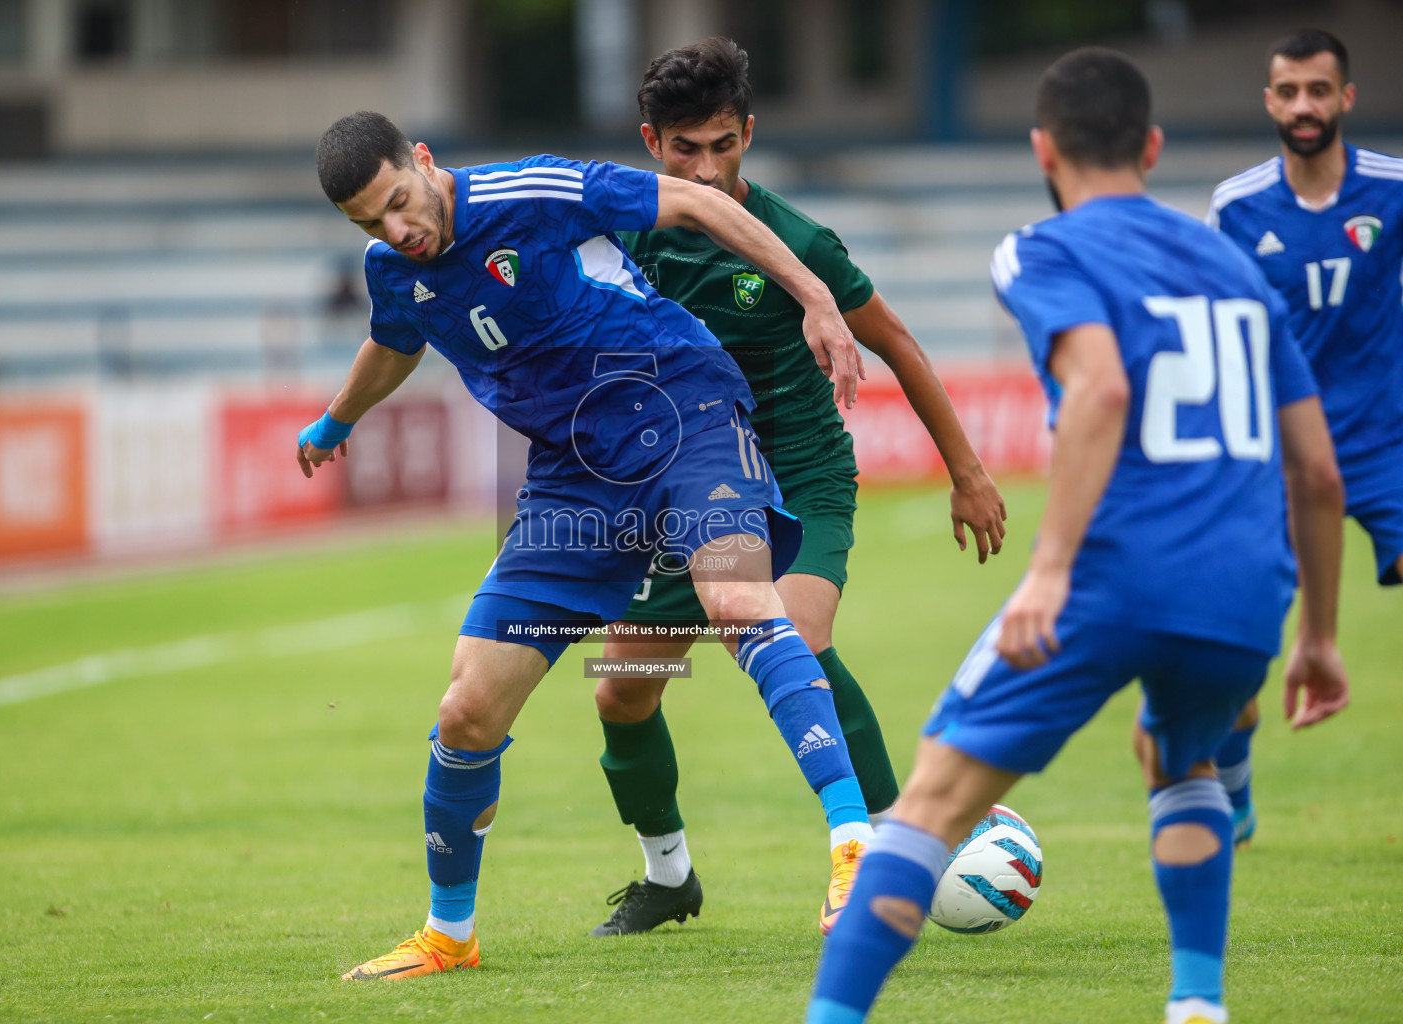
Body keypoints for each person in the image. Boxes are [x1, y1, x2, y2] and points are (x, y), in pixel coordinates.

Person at [805, 48, 1351, 1024]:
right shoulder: (1232, 263)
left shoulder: (1041, 249)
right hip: (1245, 586)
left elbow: (1100, 385)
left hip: (1115, 577)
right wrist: (1316, 634)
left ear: (1041, 149)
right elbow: (1316, 470)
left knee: (929, 800)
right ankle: (1195, 1002)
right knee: (1179, 760)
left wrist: (1048, 570)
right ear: (1150, 145)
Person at [300, 110, 882, 980]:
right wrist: (338, 417)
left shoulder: (529, 192)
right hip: (574, 475)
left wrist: (816, 296)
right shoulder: (394, 269)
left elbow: (692, 202)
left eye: (397, 202)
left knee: (734, 601)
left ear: (423, 160)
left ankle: (855, 846)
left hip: (682, 410)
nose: (396, 231)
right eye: (369, 224)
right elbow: (394, 343)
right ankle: (448, 934)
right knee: (468, 709)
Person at [587, 36, 1008, 938]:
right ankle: (669, 878)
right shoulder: (620, 233)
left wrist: (967, 474)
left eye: (723, 145)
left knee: (796, 635)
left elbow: (898, 344)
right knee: (621, 689)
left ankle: (891, 846)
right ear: (650, 141)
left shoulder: (799, 242)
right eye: (683, 150)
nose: (705, 168)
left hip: (798, 479)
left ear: (749, 132)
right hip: (687, 494)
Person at [1204, 28, 1403, 848]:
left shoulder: (1394, 191)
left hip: (1387, 447)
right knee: (1228, 654)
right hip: (1277, 456)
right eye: (1288, 92)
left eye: (1319, 90)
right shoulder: (1237, 207)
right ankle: (1238, 786)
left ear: (1346, 98)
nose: (1304, 106)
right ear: (1269, 101)